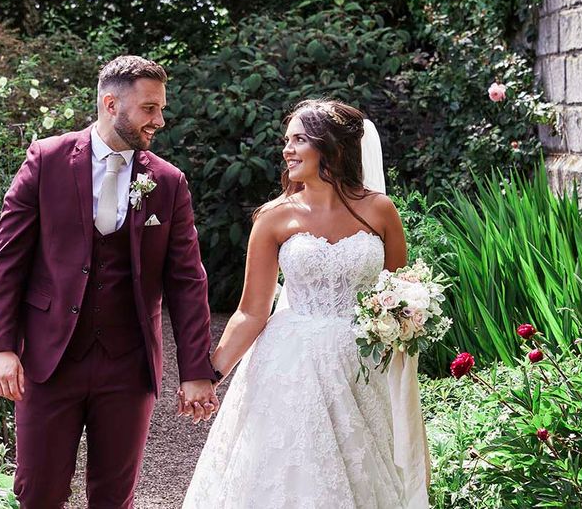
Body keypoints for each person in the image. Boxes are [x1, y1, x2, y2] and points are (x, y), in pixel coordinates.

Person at [0, 55, 219, 509]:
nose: (160, 120)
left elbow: (188, 281)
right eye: (150, 108)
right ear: (111, 104)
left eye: (161, 108)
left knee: (114, 498)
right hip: (49, 359)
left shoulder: (168, 182)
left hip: (127, 366)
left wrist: (195, 371)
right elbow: (7, 260)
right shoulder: (47, 160)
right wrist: (2, 346)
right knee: (38, 493)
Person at [182, 99, 430, 509]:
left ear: (330, 147)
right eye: (287, 140)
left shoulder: (380, 211)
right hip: (289, 363)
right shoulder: (275, 217)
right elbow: (251, 311)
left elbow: (399, 293)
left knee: (362, 469)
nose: (287, 150)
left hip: (360, 366)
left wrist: (406, 320)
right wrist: (211, 375)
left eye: (299, 139)